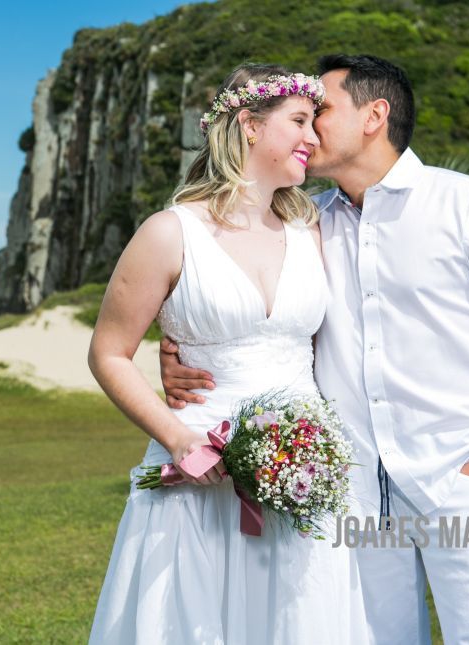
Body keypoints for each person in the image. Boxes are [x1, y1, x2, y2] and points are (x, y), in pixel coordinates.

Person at [160, 54, 469, 645]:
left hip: (459, 473)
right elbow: (262, 311)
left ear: (375, 115)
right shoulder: (306, 223)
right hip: (354, 488)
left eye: (321, 110)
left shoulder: (466, 204)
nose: (307, 127)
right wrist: (178, 348)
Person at [87, 63, 369, 644]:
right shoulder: (169, 233)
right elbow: (109, 353)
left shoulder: (310, 228)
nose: (312, 137)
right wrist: (179, 438)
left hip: (300, 473)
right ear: (248, 124)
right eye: (298, 120)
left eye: (314, 121)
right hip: (198, 470)